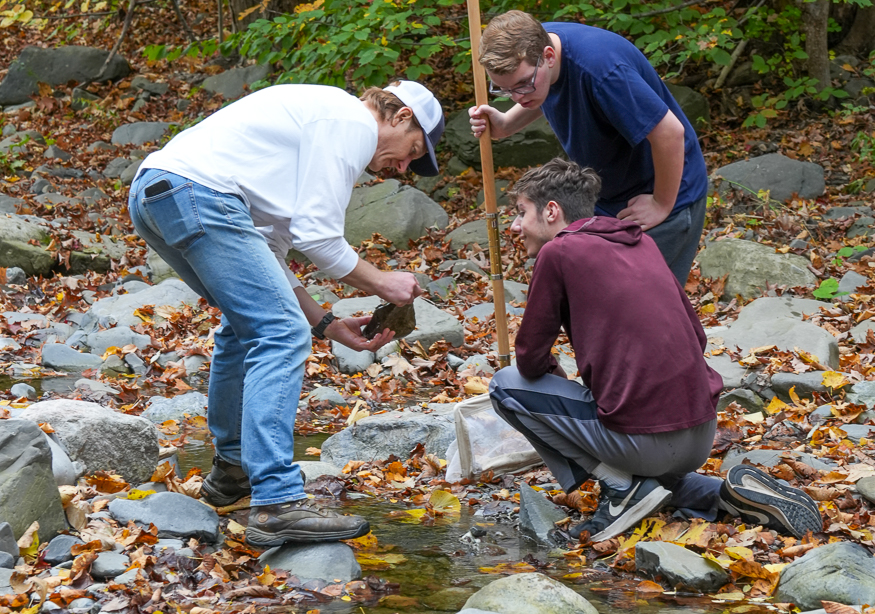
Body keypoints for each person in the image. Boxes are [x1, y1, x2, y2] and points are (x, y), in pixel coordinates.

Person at [128, 80, 446, 547]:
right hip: (197, 193)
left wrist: (326, 323)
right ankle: (277, 503)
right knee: (279, 334)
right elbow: (318, 237)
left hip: (158, 191)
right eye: (412, 151)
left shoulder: (316, 124)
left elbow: (270, 247)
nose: (403, 167)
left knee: (248, 328)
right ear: (399, 116)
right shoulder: (350, 121)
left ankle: (233, 472)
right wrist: (382, 281)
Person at [488, 158, 822, 541]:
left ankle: (618, 488)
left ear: (551, 211)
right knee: (652, 471)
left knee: (504, 386)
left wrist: (559, 379)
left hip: (644, 443)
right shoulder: (640, 241)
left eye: (520, 213)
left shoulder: (559, 252)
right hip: (700, 432)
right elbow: (697, 337)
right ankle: (720, 495)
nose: (515, 226)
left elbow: (529, 358)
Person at [469, 10, 708, 285]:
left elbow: (670, 134)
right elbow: (536, 91)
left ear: (548, 56)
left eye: (522, 84)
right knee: (599, 300)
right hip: (607, 198)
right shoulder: (529, 44)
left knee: (646, 313)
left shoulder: (602, 72)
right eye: (504, 89)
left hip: (666, 196)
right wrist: (507, 124)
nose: (517, 96)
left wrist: (662, 204)